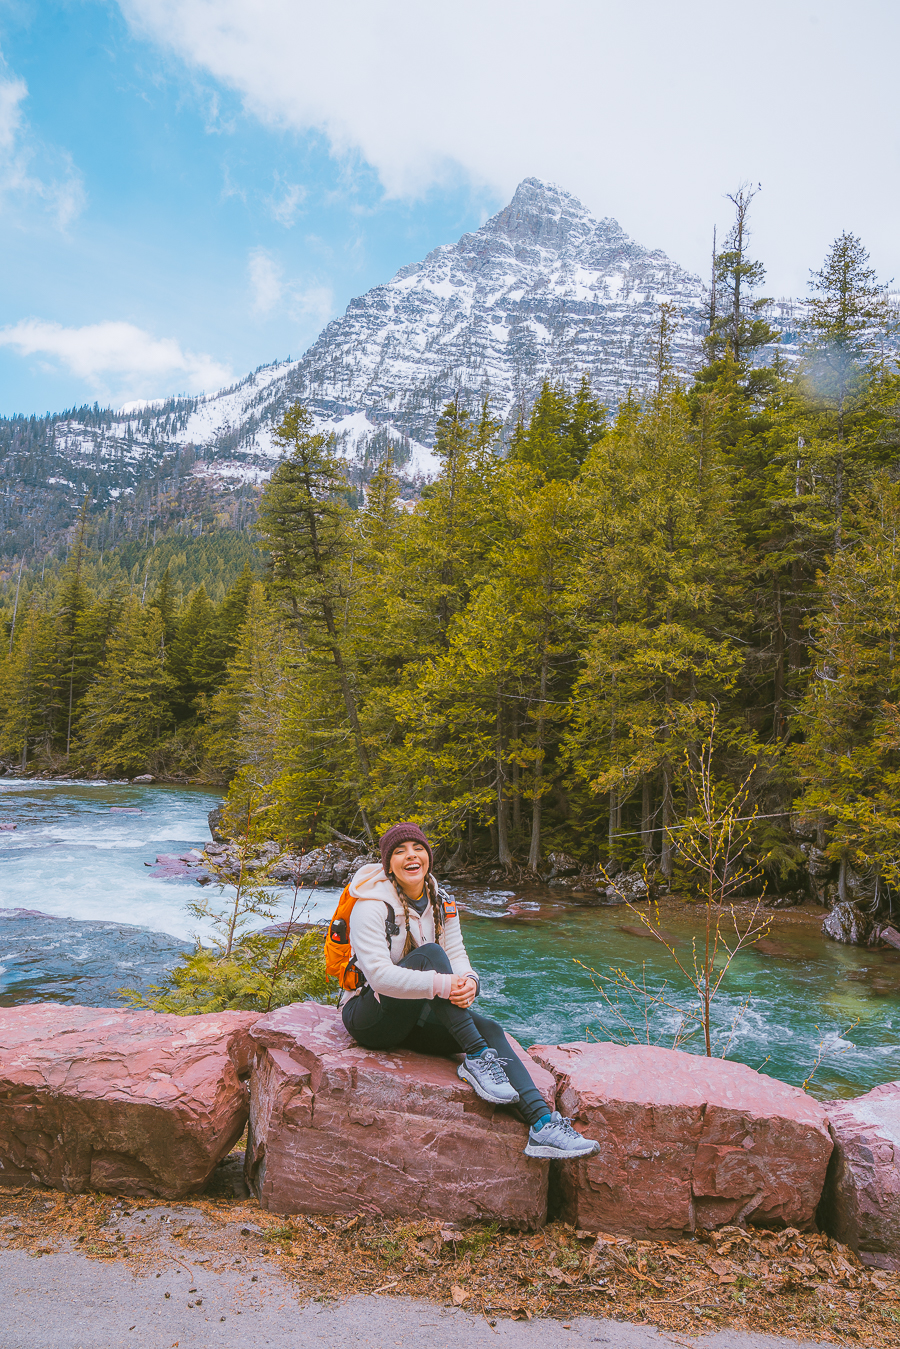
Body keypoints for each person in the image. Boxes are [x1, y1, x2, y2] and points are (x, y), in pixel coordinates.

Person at [340, 821, 600, 1160]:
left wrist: (469, 983)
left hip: (411, 1015)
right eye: (400, 852)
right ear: (388, 864)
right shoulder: (371, 905)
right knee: (431, 956)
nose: (411, 856)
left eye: (417, 849)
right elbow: (379, 977)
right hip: (370, 1017)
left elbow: (458, 956)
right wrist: (445, 984)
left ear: (428, 856)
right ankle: (476, 1056)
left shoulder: (441, 901)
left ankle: (543, 1126)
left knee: (490, 1027)